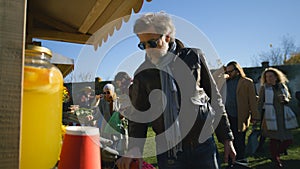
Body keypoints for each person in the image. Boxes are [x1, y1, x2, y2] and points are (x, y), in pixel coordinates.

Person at [116, 12, 236, 169]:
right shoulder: (142, 73)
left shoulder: (194, 57)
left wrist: (227, 139)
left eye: (152, 43)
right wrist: (134, 148)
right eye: (142, 45)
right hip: (168, 152)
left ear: (166, 37)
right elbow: (138, 116)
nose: (147, 49)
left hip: (203, 144)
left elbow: (215, 98)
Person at [221, 61, 260, 163]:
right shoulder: (225, 82)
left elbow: (252, 100)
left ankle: (240, 161)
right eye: (227, 71)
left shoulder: (247, 82)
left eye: (231, 71)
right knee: (229, 141)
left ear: (237, 70)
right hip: (227, 116)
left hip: (240, 116)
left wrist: (255, 116)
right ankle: (231, 162)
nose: (229, 73)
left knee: (239, 141)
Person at [257, 67, 294, 168]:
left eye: (271, 76)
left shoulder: (282, 86)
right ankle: (276, 159)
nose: (268, 78)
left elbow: (288, 99)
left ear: (276, 77)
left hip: (282, 115)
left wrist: (285, 99)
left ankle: (276, 155)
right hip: (270, 115)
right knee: (274, 139)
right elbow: (260, 102)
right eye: (266, 77)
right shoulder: (264, 88)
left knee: (288, 140)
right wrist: (257, 116)